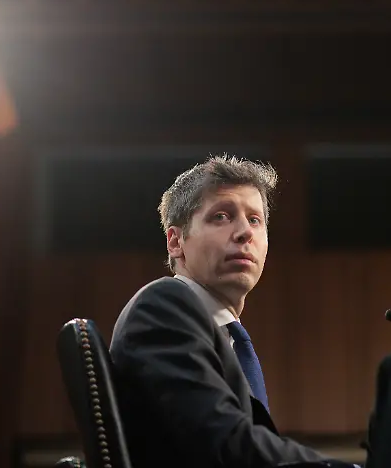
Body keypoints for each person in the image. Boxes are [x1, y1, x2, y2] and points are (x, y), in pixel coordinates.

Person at [109, 155, 337, 468]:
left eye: (255, 220)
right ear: (175, 242)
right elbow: (226, 444)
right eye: (221, 216)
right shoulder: (162, 306)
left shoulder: (221, 336)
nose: (245, 232)